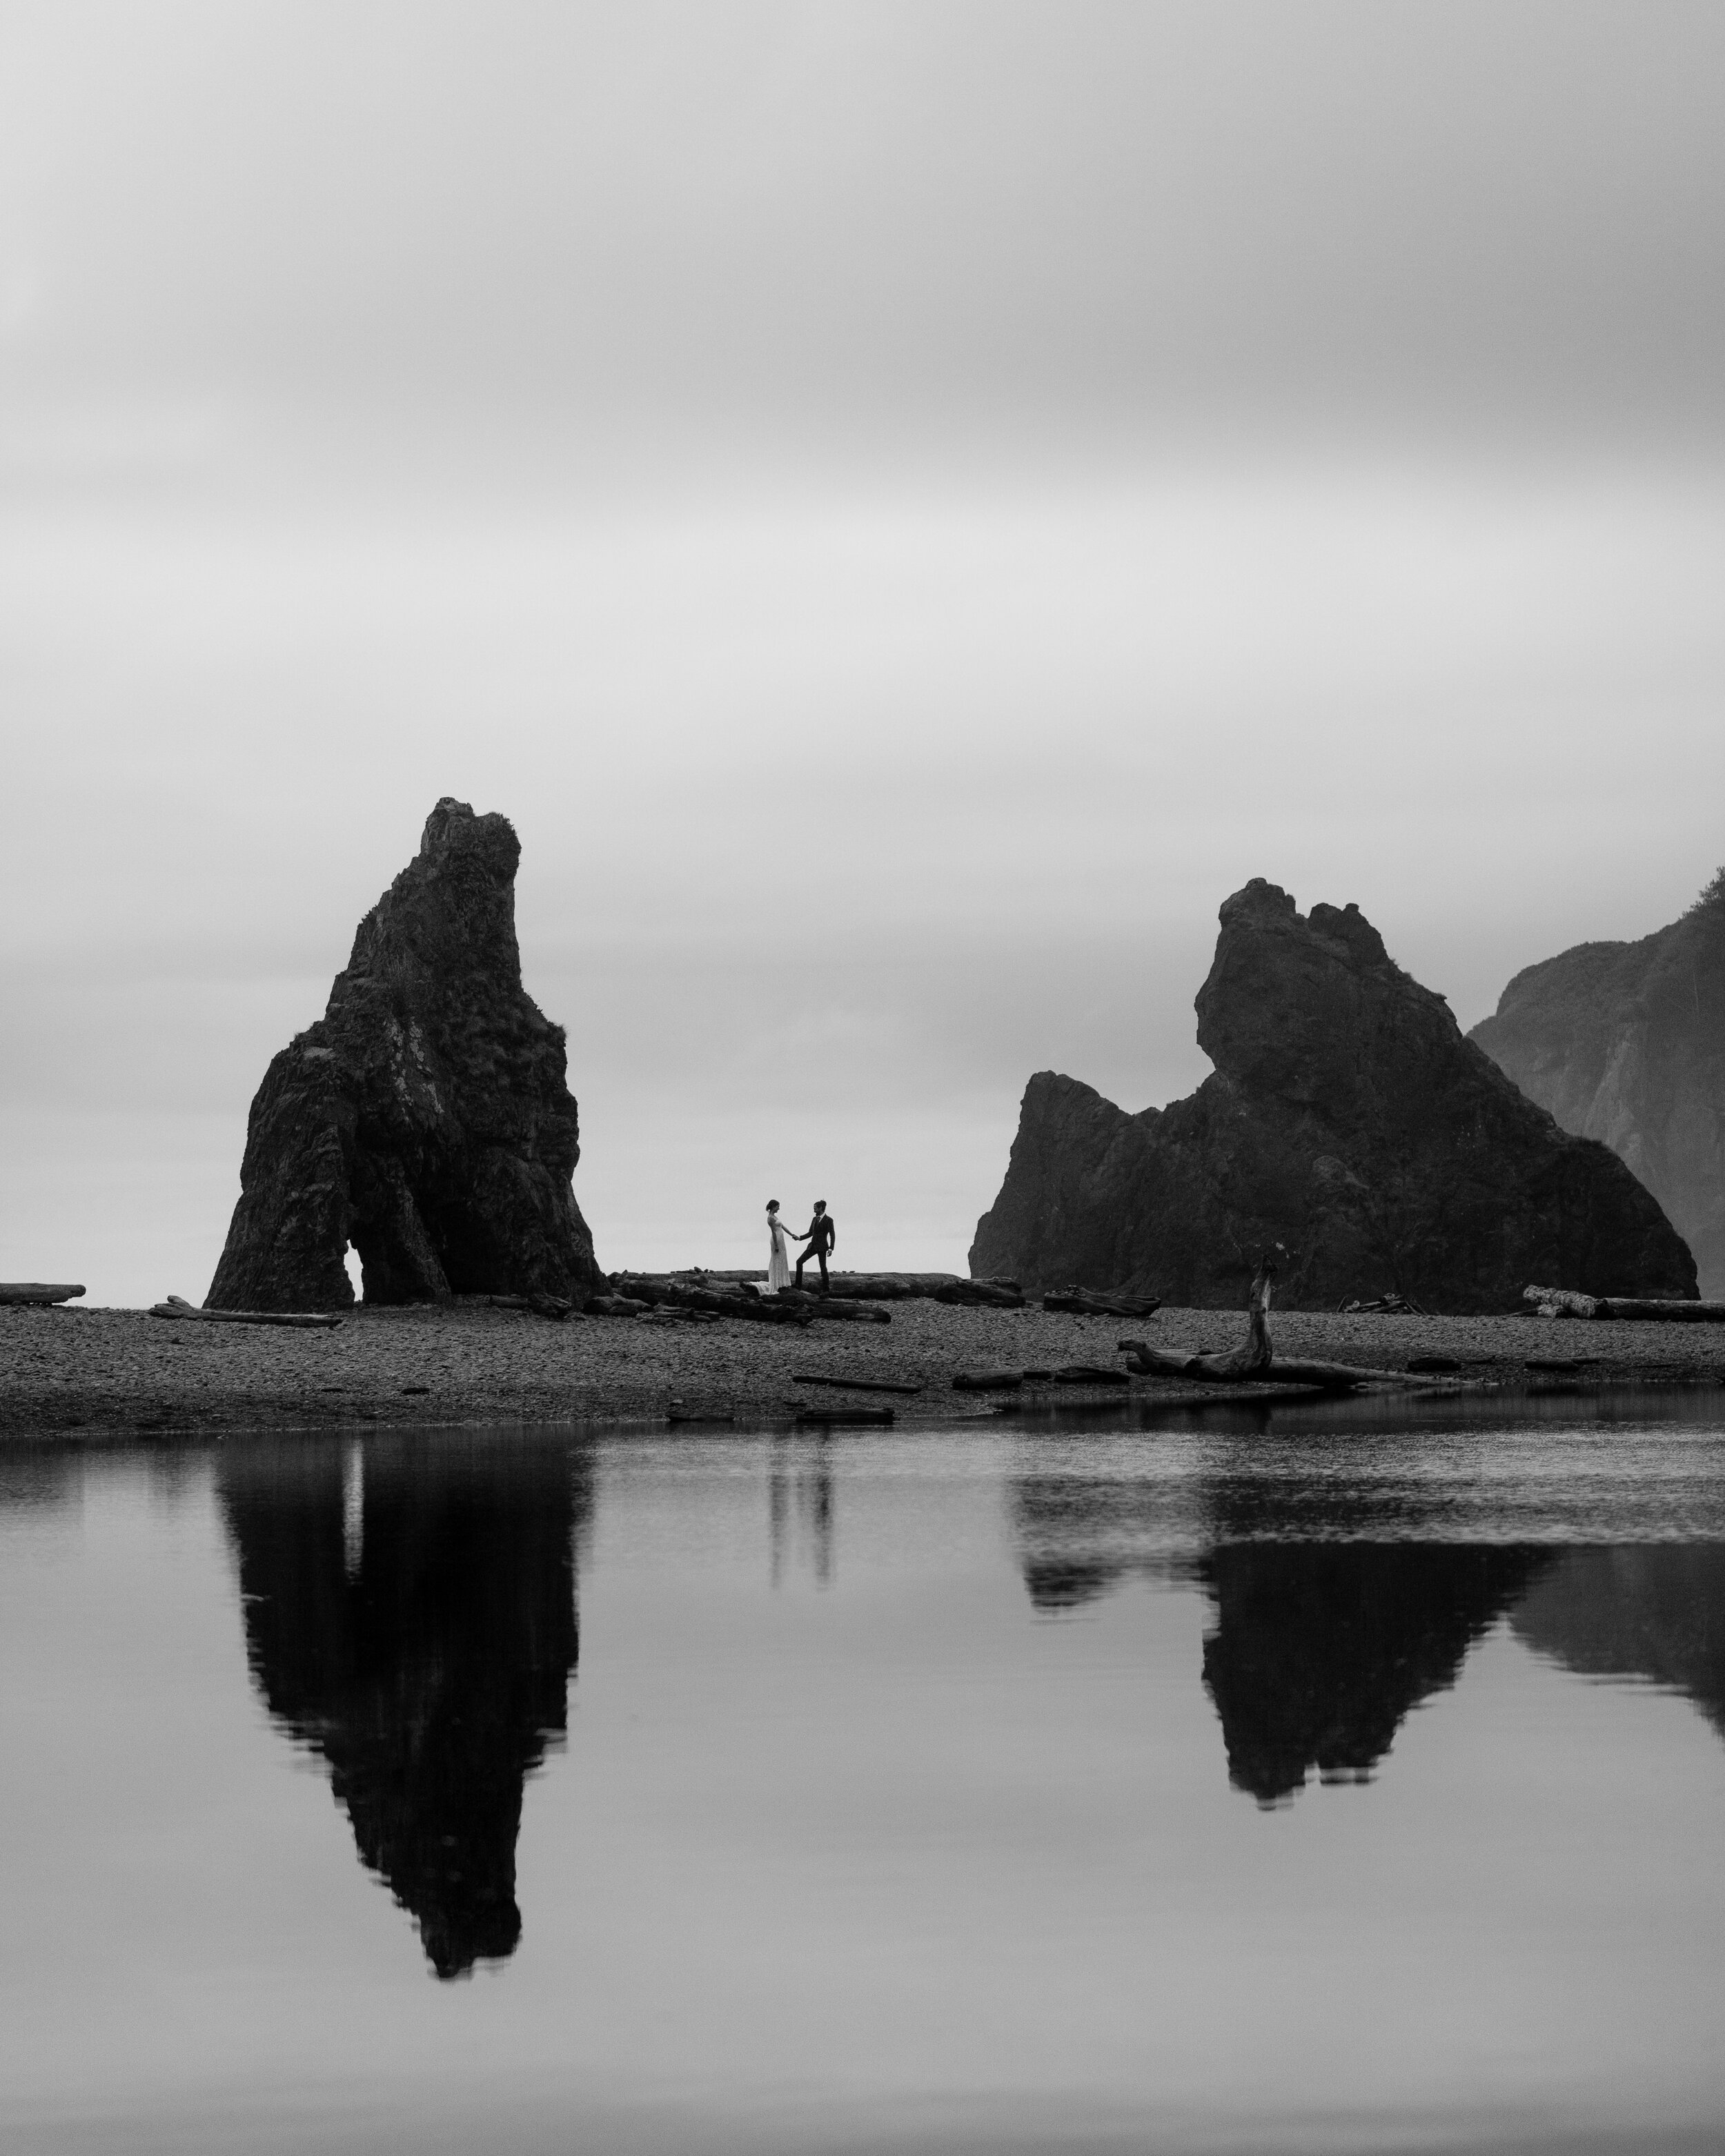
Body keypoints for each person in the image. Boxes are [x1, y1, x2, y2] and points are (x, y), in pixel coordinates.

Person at [793, 1200, 836, 1293]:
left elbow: (832, 1235)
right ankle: (798, 1286)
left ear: (821, 1208)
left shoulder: (829, 1220)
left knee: (823, 1268)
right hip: (812, 1246)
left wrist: (831, 1248)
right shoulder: (814, 1219)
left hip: (823, 1247)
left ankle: (826, 1290)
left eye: (815, 1208)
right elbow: (810, 1233)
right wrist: (799, 1238)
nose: (814, 1210)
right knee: (799, 1262)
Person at [765, 1200, 796, 1294]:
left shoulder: (775, 1217)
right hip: (776, 1239)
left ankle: (783, 1282)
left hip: (781, 1239)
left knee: (782, 1258)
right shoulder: (770, 1218)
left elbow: (782, 1226)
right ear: (773, 1207)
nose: (779, 1208)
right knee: (777, 1259)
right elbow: (774, 1232)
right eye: (778, 1206)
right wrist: (776, 1245)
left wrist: (791, 1234)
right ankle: (777, 1283)